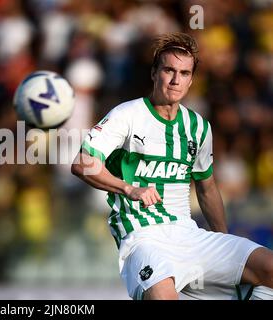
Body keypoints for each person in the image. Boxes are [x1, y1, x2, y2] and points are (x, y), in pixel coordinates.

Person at [71, 32, 273, 300]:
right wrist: (129, 188)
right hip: (143, 238)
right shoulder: (127, 115)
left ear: (191, 80)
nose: (176, 79)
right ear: (154, 73)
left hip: (187, 233)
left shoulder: (198, 127)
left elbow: (207, 188)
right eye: (169, 70)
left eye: (185, 73)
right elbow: (83, 163)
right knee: (162, 295)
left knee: (268, 268)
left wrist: (223, 244)